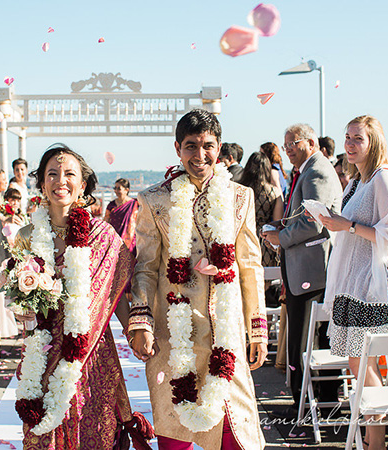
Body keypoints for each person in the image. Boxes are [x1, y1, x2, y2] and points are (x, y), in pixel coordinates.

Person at [129, 109, 267, 449]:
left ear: (219, 148)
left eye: (207, 146)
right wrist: (141, 323)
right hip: (175, 336)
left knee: (237, 437)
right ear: (178, 148)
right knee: (176, 430)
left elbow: (249, 264)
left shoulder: (239, 197)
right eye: (191, 146)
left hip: (226, 332)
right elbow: (145, 267)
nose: (200, 155)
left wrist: (257, 327)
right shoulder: (153, 200)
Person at [11, 144, 153, 449]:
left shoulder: (102, 235)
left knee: (95, 431)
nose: (60, 180)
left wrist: (135, 330)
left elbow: (116, 295)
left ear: (83, 185)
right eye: (52, 174)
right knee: (42, 430)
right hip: (44, 350)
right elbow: (19, 304)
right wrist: (21, 306)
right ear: (42, 183)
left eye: (69, 174)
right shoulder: (26, 236)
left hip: (92, 353)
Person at [321, 115, 388, 450]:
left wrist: (347, 226)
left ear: (374, 141)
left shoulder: (384, 180)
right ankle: (374, 440)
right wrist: (334, 222)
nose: (350, 144)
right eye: (347, 137)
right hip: (352, 282)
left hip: (371, 287)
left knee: (363, 367)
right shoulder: (357, 182)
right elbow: (350, 225)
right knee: (357, 365)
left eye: (358, 138)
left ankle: (376, 442)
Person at [262, 123, 342, 418]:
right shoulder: (309, 170)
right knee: (308, 337)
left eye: (292, 144)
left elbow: (314, 222)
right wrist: (279, 229)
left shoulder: (316, 171)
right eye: (285, 146)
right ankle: (311, 401)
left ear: (309, 142)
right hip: (306, 268)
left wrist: (280, 237)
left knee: (306, 338)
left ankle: (306, 404)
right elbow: (301, 216)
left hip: (311, 270)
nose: (287, 151)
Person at [239, 152, 284, 267]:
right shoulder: (275, 193)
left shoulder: (239, 190)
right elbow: (278, 220)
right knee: (266, 279)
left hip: (243, 238)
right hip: (265, 240)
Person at [104, 178, 138, 253]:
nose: (116, 191)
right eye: (115, 188)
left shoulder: (134, 204)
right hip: (114, 238)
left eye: (119, 188)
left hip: (130, 240)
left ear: (127, 190)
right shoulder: (111, 205)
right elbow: (106, 221)